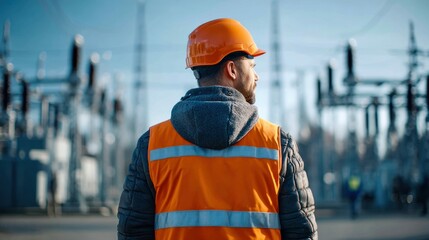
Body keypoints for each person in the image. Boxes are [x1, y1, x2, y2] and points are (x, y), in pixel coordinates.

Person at [117, 18, 318, 240]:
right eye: (252, 66)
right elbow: (302, 233)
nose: (256, 76)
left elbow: (133, 232)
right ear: (232, 69)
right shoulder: (277, 144)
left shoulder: (152, 145)